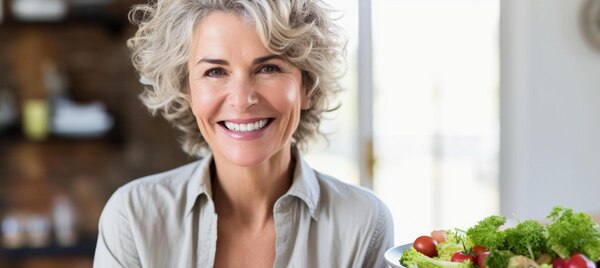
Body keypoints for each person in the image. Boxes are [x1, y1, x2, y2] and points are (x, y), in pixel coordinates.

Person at [93, 0, 394, 267]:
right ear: (187, 91)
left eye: (268, 69)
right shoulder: (133, 217)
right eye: (215, 72)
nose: (242, 99)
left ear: (307, 88)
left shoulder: (363, 222)